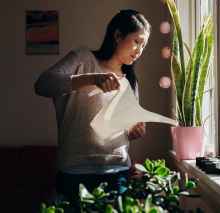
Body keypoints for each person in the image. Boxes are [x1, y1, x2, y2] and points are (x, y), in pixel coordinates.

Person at [34, 9, 151, 204]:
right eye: (137, 41)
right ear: (118, 35)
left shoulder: (131, 81)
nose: (139, 50)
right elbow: (43, 85)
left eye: (144, 46)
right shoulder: (83, 59)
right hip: (75, 173)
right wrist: (92, 79)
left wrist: (133, 131)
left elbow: (125, 128)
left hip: (118, 172)